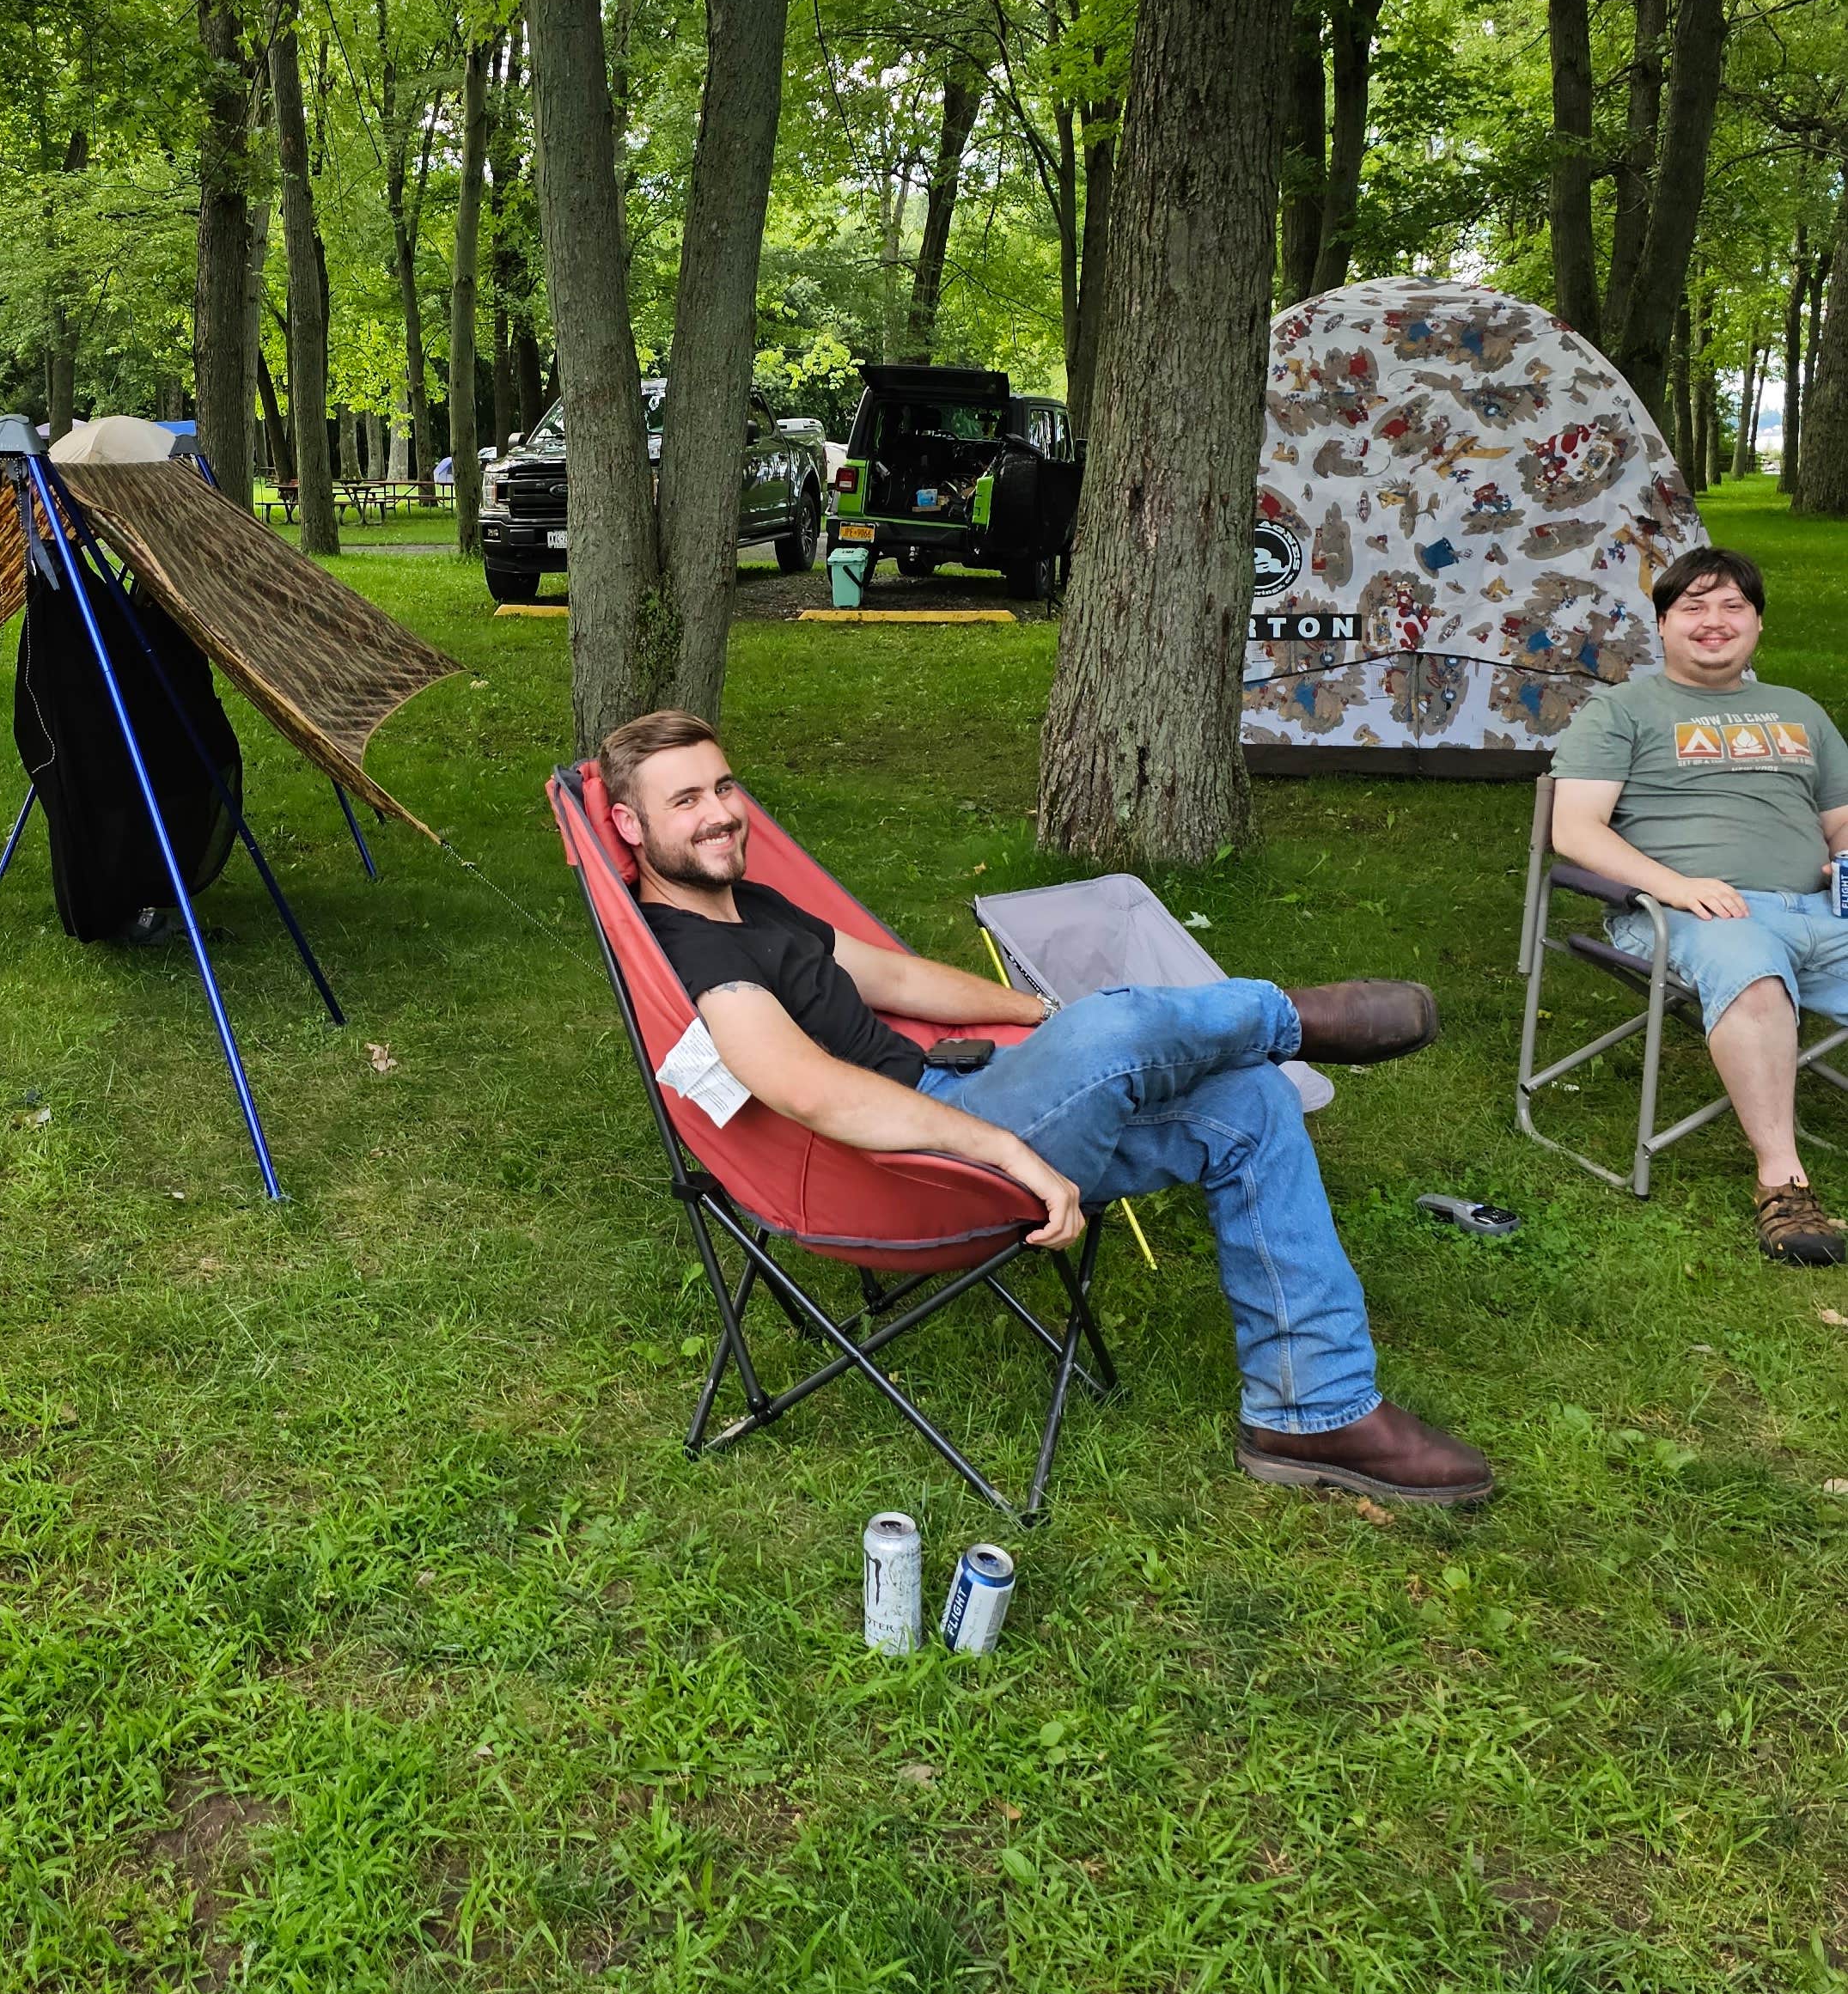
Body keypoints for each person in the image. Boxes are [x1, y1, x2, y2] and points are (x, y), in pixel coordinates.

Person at [595, 709, 1495, 1509]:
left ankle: (1312, 1410)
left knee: (1252, 1102)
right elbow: (811, 1089)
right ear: (631, 825)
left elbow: (892, 974)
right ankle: (1288, 1017)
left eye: (723, 785)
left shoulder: (748, 902)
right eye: (685, 801)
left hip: (958, 1103)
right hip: (918, 1166)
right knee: (1118, 1028)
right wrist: (1007, 1149)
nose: (719, 811)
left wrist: (1037, 1013)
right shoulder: (692, 957)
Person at [1549, 543, 1848, 1265]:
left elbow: (1840, 817)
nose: (1714, 621)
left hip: (1819, 910)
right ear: (1661, 625)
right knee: (1752, 972)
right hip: (1688, 911)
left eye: (1732, 607)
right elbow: (1574, 829)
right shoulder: (1621, 710)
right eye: (1694, 607)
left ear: (1757, 625)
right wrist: (1675, 886)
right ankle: (1783, 1184)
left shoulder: (1798, 710)